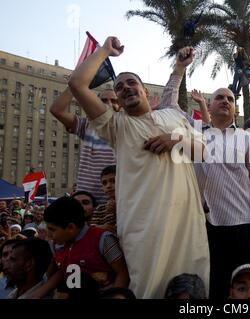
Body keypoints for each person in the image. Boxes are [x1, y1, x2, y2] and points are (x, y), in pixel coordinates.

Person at [68, 37, 210, 298]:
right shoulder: (116, 126)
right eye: (119, 87)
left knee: (193, 291)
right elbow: (77, 84)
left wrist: (174, 139)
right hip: (144, 228)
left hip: (186, 223)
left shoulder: (173, 116)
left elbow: (203, 152)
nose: (125, 88)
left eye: (131, 82)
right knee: (146, 288)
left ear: (146, 91)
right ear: (118, 101)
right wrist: (105, 51)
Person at [194, 87, 250, 300]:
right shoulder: (195, 136)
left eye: (230, 99)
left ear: (235, 109)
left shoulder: (246, 139)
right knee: (214, 286)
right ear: (209, 106)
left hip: (240, 227)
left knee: (242, 288)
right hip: (203, 227)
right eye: (219, 97)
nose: (225, 101)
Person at [36, 197, 129, 298]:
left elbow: (122, 273)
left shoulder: (103, 239)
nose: (49, 235)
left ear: (71, 227)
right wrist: (37, 294)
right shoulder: (56, 244)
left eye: (52, 230)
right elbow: (63, 271)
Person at [50, 86, 117, 205]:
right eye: (104, 100)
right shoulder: (86, 125)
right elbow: (56, 110)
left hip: (116, 201)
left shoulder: (130, 127)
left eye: (114, 100)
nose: (109, 104)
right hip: (85, 201)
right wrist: (75, 85)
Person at [90, 165, 117, 230]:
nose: (108, 186)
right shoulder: (100, 209)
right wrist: (101, 228)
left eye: (113, 181)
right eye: (104, 183)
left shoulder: (129, 205)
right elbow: (90, 229)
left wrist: (116, 211)